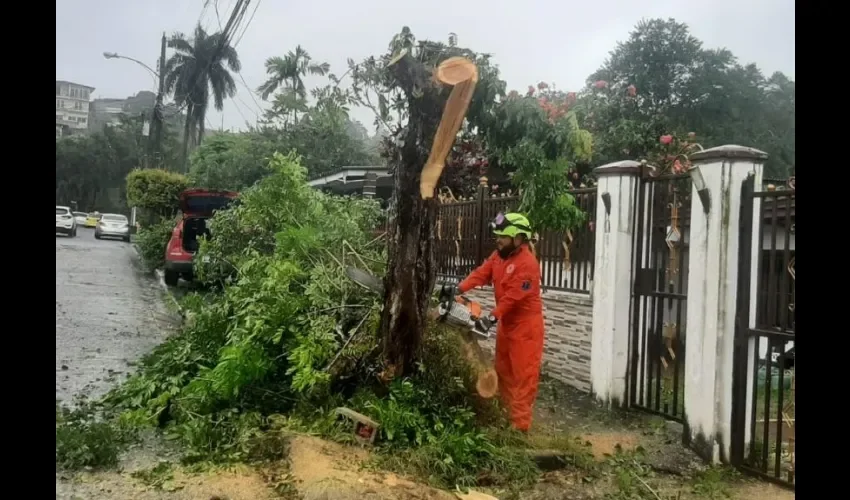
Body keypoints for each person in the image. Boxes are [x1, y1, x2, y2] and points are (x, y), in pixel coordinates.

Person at [456, 212, 545, 432]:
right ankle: (504, 418)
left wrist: (492, 317)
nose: (498, 240)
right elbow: (480, 273)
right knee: (503, 373)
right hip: (507, 326)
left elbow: (514, 297)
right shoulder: (498, 256)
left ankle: (520, 427)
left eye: (503, 236)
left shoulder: (528, 264)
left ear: (517, 238)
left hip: (526, 328)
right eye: (498, 235)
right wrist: (458, 288)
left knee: (522, 378)